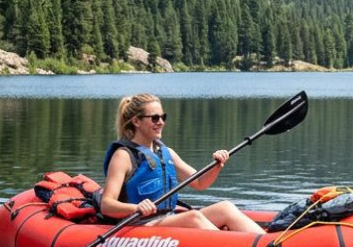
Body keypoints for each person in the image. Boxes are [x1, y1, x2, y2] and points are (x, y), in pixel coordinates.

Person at [100, 93, 263, 233]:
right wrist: (136, 208)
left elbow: (199, 183)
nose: (161, 122)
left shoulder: (166, 153)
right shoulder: (123, 156)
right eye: (154, 118)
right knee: (193, 216)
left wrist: (217, 165)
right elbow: (106, 205)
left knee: (225, 207)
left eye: (163, 117)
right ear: (136, 121)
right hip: (141, 225)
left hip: (166, 219)